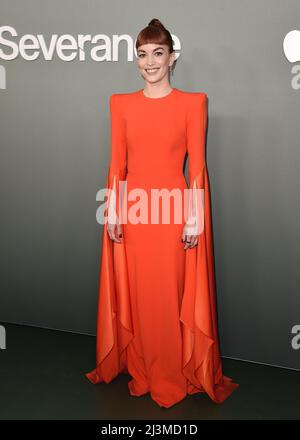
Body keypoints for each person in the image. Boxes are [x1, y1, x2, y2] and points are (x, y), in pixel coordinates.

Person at [85, 18, 239, 408]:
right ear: (136, 59)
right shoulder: (119, 104)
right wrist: (114, 213)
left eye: (158, 53)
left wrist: (194, 217)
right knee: (139, 295)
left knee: (168, 296)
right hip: (134, 212)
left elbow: (198, 169)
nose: (149, 62)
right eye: (142, 54)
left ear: (173, 57)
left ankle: (171, 372)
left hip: (172, 212)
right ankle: (143, 368)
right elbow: (116, 166)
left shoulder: (193, 103)